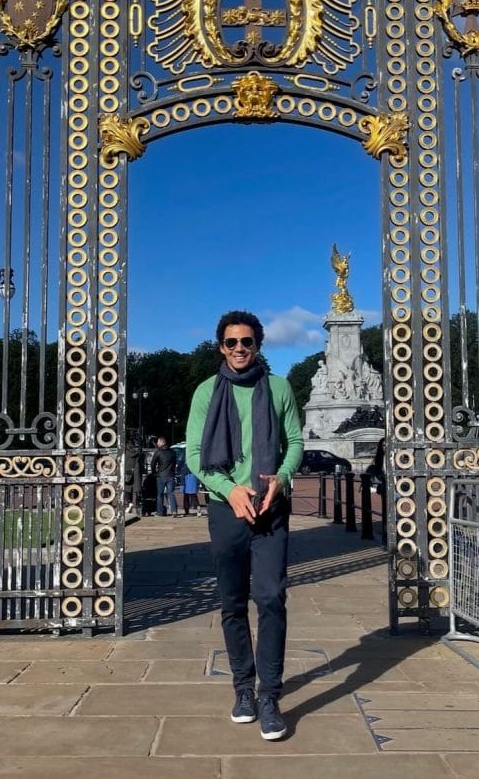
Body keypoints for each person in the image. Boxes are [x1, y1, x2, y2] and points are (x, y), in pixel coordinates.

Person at [186, 310, 303, 741]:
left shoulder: (278, 387)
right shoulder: (205, 393)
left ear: (259, 346)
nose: (240, 348)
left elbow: (294, 441)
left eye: (247, 342)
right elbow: (195, 454)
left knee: (271, 598)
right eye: (232, 342)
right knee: (233, 603)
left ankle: (270, 696)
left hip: (270, 507)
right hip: (227, 509)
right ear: (221, 346)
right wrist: (228, 488)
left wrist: (283, 478)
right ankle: (243, 690)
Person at [150, 435, 178, 517]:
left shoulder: (158, 452)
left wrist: (154, 472)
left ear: (162, 442)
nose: (157, 443)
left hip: (160, 475)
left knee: (160, 494)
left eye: (158, 442)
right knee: (171, 493)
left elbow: (153, 463)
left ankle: (160, 512)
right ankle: (174, 511)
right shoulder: (173, 452)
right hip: (171, 475)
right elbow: (174, 464)